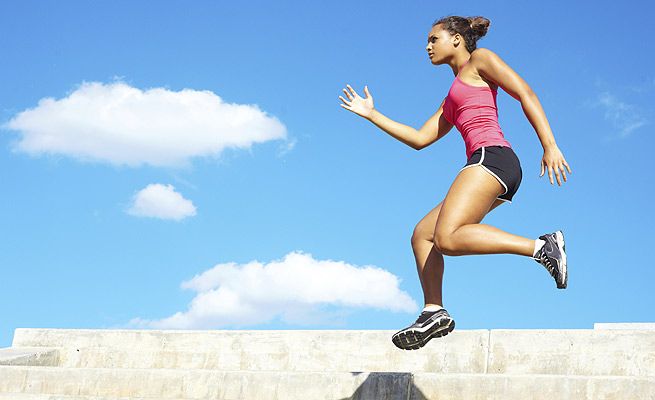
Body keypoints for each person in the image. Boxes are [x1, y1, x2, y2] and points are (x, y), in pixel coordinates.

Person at [338, 15, 572, 351]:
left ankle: (542, 247)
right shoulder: (451, 96)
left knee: (447, 237)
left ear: (457, 39)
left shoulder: (481, 60)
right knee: (424, 235)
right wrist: (373, 115)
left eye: (434, 39)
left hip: (492, 158)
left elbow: (525, 93)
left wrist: (549, 145)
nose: (428, 46)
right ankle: (434, 310)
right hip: (486, 165)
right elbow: (420, 138)